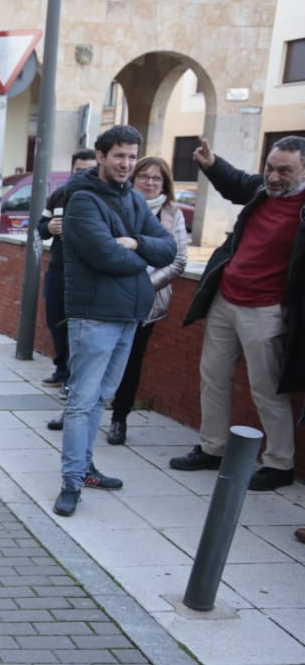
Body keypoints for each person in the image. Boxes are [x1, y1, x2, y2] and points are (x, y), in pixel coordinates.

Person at [53, 125, 178, 517]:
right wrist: (141, 254)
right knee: (81, 402)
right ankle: (72, 481)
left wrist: (137, 243)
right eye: (119, 155)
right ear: (102, 156)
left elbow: (169, 248)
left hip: (128, 316)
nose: (126, 163)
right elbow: (105, 256)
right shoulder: (84, 200)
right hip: (94, 316)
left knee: (101, 400)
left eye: (131, 156)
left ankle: (86, 468)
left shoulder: (135, 201)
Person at [168, 134, 305, 491]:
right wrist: (211, 162)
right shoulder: (262, 190)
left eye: (285, 171)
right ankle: (212, 448)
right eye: (270, 168)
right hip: (225, 300)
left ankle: (279, 463)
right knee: (212, 377)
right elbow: (238, 184)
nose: (273, 177)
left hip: (267, 310)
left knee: (266, 390)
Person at [105, 157, 190, 445]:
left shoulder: (172, 214)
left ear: (165, 183)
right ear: (133, 178)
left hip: (148, 302)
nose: (150, 182)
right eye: (144, 176)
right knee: (96, 356)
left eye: (157, 178)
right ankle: (77, 413)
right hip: (112, 296)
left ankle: (119, 418)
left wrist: (143, 287)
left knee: (132, 361)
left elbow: (177, 262)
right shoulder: (116, 204)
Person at [40, 149, 100, 389]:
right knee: (55, 321)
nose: (83, 174)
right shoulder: (59, 196)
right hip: (58, 270)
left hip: (86, 275)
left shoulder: (100, 198)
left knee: (80, 328)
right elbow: (39, 227)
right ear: (71, 171)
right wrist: (49, 227)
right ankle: (61, 369)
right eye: (79, 170)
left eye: (89, 170)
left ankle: (75, 378)